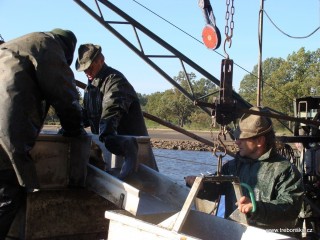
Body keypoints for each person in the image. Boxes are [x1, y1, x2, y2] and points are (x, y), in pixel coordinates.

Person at [0, 28, 86, 238]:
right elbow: (64, 96)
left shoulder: (13, 45)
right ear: (67, 51)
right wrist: (75, 129)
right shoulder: (48, 45)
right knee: (9, 193)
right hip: (5, 133)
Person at [185, 107, 304, 235]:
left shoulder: (285, 170)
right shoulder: (232, 166)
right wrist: (203, 186)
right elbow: (217, 188)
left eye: (242, 138)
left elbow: (290, 208)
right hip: (235, 233)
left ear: (259, 141)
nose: (237, 142)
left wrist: (256, 208)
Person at [75, 43, 158, 180]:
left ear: (101, 60)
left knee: (145, 189)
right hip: (109, 153)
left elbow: (111, 113)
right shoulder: (90, 88)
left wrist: (106, 134)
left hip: (133, 154)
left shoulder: (115, 81)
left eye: (90, 67)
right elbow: (87, 116)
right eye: (84, 70)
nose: (87, 72)